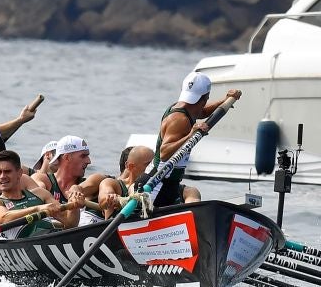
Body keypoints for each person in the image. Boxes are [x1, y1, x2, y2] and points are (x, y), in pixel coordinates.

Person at [148, 71, 241, 207]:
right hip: (157, 186)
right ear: (206, 97)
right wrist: (190, 136)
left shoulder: (185, 106)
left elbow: (201, 112)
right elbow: (164, 153)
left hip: (169, 184)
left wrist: (225, 100)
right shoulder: (179, 119)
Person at [0, 150, 84, 238]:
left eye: (7, 171)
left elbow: (70, 223)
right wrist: (37, 208)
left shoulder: (40, 194)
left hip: (52, 235)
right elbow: (4, 218)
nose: (2, 176)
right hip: (27, 243)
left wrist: (75, 206)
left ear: (19, 173)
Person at [32, 135, 105, 222]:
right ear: (67, 157)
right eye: (83, 156)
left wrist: (77, 189)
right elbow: (36, 191)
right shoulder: (42, 180)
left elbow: (100, 179)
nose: (89, 161)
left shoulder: (91, 183)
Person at [97, 146, 154, 218]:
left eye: (153, 165)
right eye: (148, 165)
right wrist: (113, 198)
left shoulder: (156, 185)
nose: (153, 169)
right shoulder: (111, 183)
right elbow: (103, 202)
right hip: (116, 226)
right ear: (130, 166)